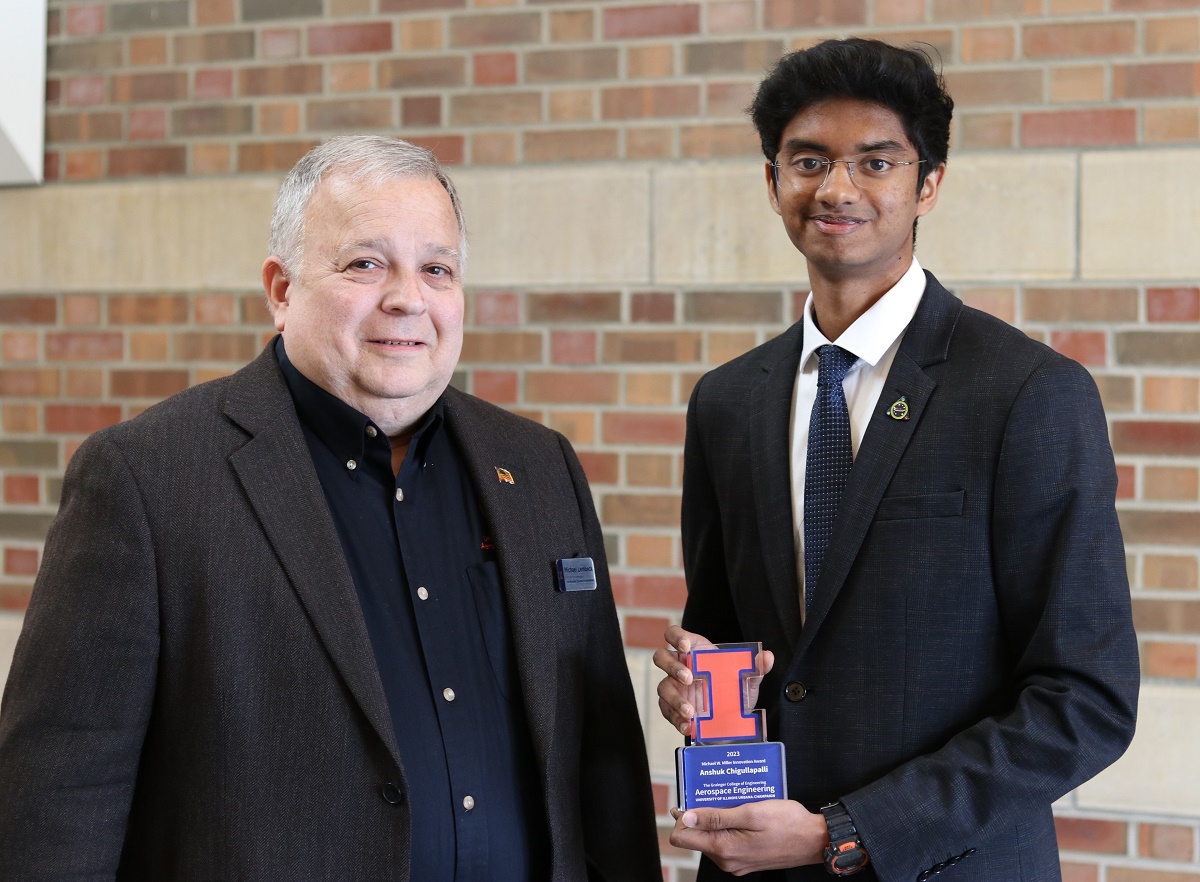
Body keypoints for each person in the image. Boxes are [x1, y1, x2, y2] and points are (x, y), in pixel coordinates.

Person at [0, 135, 660, 881]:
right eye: (364, 264)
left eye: (436, 269)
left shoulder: (540, 469)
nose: (408, 297)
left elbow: (603, 778)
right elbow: (56, 808)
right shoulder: (146, 479)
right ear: (282, 291)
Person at [653, 39, 1139, 882]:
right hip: (758, 867)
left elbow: (1084, 701)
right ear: (773, 181)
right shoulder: (726, 402)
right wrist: (702, 702)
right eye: (808, 160)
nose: (837, 189)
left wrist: (844, 832)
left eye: (875, 161)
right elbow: (737, 641)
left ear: (928, 183)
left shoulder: (1029, 392)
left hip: (949, 866)